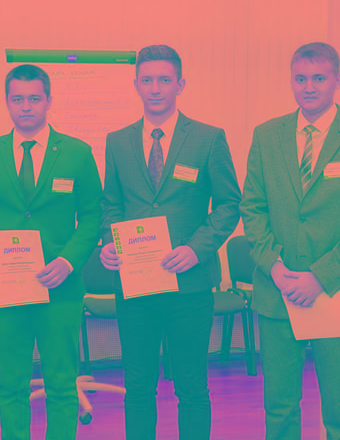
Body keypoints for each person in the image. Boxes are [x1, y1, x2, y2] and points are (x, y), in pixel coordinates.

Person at [240, 42, 340, 439]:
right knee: (280, 410)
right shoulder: (266, 136)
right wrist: (274, 267)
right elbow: (252, 208)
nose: (309, 87)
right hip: (278, 292)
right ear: (291, 81)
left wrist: (320, 277)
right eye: (301, 78)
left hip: (336, 293)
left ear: (338, 80)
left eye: (319, 78)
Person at [99, 44, 242, 440]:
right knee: (138, 387)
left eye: (164, 80)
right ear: (136, 85)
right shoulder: (118, 141)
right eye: (147, 80)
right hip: (135, 286)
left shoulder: (208, 138)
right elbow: (110, 204)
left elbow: (229, 204)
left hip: (189, 286)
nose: (155, 88)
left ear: (180, 84)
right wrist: (110, 241)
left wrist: (197, 248)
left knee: (192, 387)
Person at [0, 64, 102, 440]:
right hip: (6, 289)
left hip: (60, 289)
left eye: (34, 99)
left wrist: (68, 261)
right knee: (11, 384)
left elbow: (93, 216)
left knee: (61, 384)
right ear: (7, 101)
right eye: (18, 99)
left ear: (49, 101)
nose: (26, 107)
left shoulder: (77, 153)